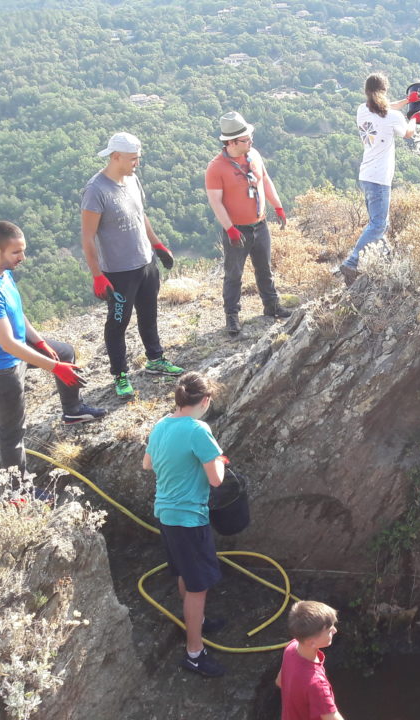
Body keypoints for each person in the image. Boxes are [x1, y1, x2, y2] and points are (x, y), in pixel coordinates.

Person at [0, 221, 104, 481]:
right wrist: (54, 368)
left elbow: (16, 311)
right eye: (16, 252)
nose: (22, 258)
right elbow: (6, 343)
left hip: (17, 347)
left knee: (63, 352)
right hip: (0, 365)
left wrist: (40, 343)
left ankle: (72, 410)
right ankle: (18, 487)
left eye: (22, 251)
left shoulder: (1, 271)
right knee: (13, 429)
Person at [80, 131, 184, 398]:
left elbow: (141, 216)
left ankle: (155, 359)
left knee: (149, 314)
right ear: (115, 157)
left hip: (145, 263)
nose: (137, 163)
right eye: (133, 158)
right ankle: (120, 374)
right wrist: (97, 275)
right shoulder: (96, 190)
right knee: (118, 323)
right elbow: (88, 237)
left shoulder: (132, 180)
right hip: (118, 272)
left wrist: (158, 246)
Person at [143, 371, 229, 678]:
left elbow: (147, 464)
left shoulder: (162, 424)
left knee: (183, 572)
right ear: (205, 401)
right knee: (198, 586)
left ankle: (199, 620)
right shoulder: (197, 429)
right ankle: (194, 653)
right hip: (189, 519)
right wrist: (217, 458)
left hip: (165, 515)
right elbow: (216, 480)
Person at [205, 111, 293, 336]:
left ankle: (271, 306)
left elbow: (265, 180)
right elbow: (215, 202)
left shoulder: (254, 155)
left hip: (260, 224)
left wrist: (278, 206)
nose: (250, 141)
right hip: (237, 229)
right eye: (245, 139)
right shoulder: (216, 168)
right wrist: (230, 229)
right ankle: (232, 317)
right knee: (234, 274)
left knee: (265, 268)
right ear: (231, 142)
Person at [340, 73, 420, 286]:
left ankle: (387, 257)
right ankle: (351, 262)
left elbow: (384, 107)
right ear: (384, 90)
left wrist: (405, 103)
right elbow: (408, 134)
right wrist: (414, 116)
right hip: (380, 178)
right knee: (378, 224)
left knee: (380, 222)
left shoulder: (362, 110)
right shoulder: (393, 118)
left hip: (366, 175)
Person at [276, 600, 344, 720]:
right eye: (329, 630)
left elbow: (280, 682)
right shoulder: (317, 685)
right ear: (311, 642)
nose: (335, 630)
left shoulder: (291, 647)